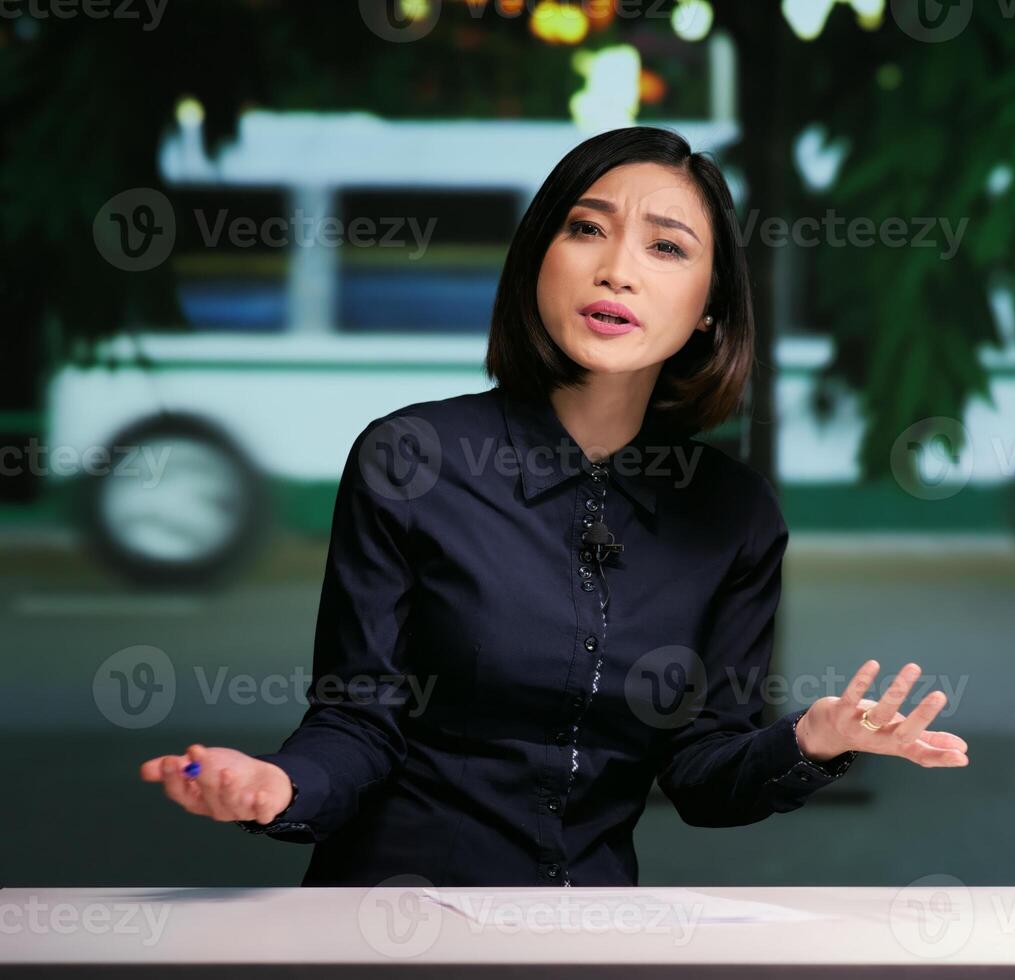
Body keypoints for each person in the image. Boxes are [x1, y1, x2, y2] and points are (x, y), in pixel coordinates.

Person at [140, 127, 969, 886]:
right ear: (538, 257)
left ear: (709, 309)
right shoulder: (411, 461)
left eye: (667, 247)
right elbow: (359, 725)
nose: (618, 268)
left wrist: (812, 741)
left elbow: (701, 773)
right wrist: (274, 785)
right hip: (396, 920)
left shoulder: (734, 515)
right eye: (585, 228)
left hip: (587, 933)